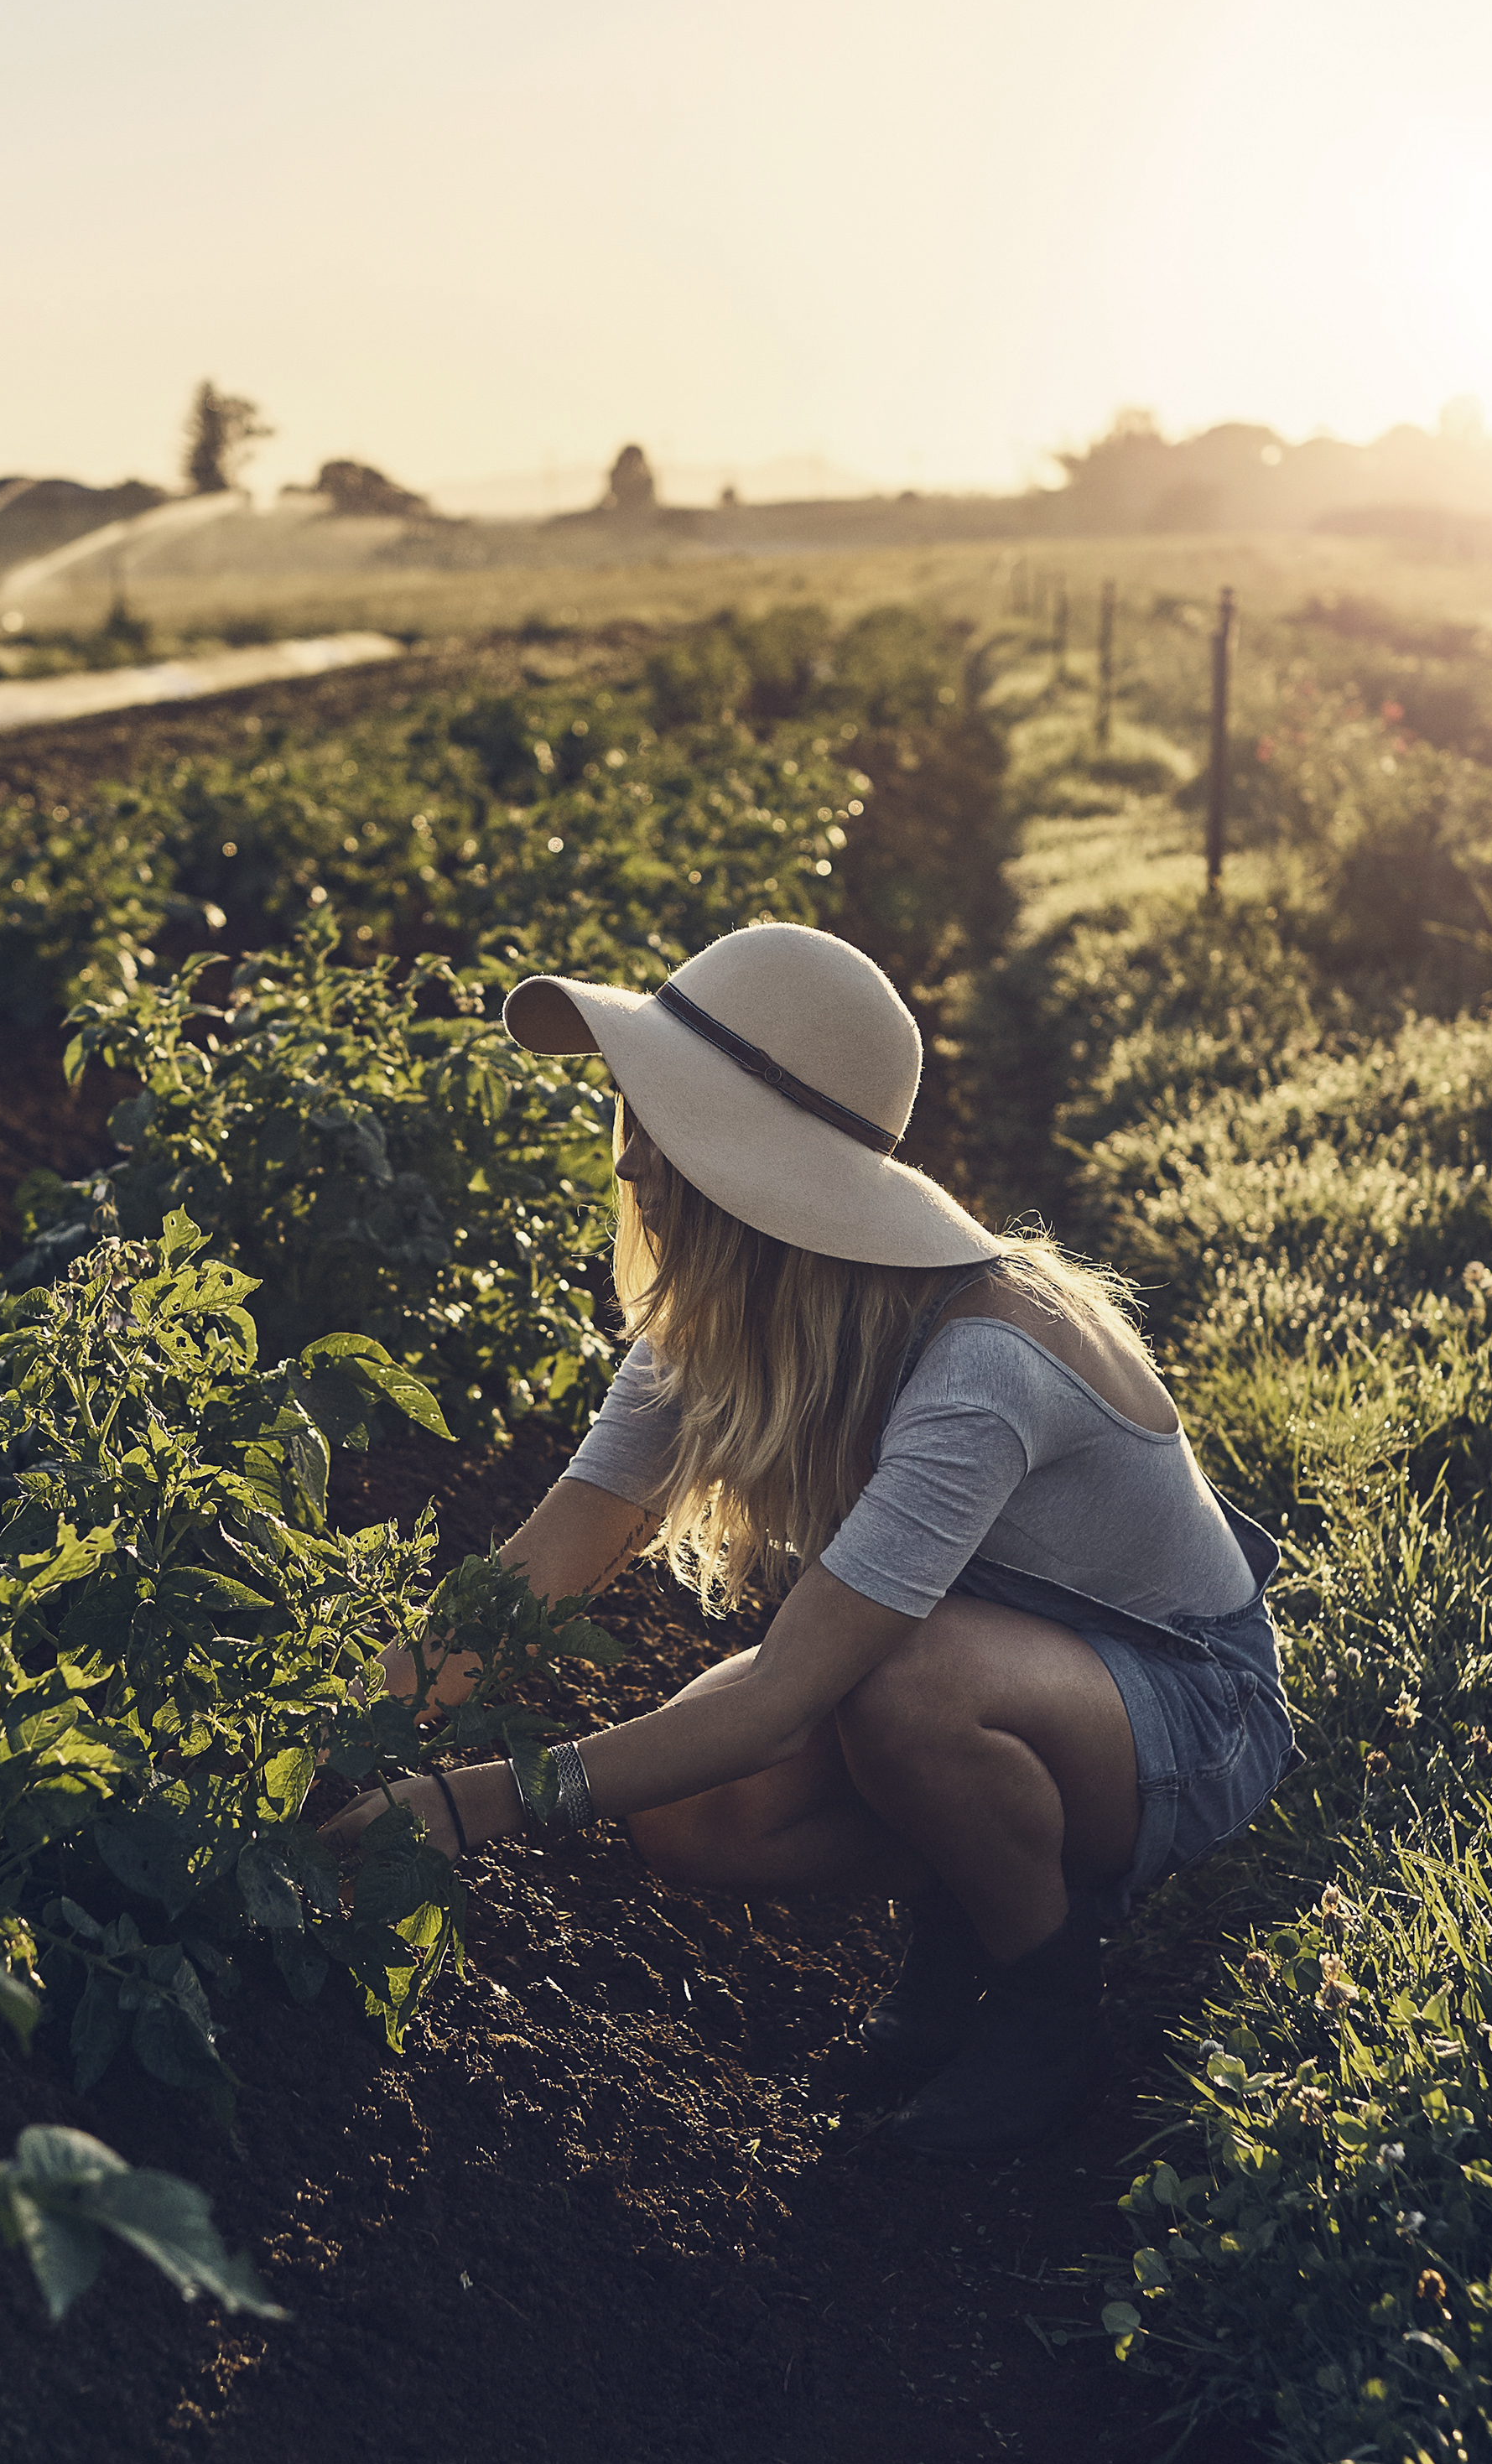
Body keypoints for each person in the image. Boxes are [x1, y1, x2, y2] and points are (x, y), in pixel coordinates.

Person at [324, 920, 1293, 2155]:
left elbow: (791, 1694)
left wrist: (471, 1808)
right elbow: (555, 1553)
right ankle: (971, 1899)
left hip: (1184, 1707)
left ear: (750, 1163)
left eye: (657, 1129)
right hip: (992, 1671)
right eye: (629, 1120)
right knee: (692, 1811)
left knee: (901, 1689)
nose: (630, 1171)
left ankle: (1047, 2009)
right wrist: (342, 1729)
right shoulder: (718, 1321)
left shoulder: (985, 1356)